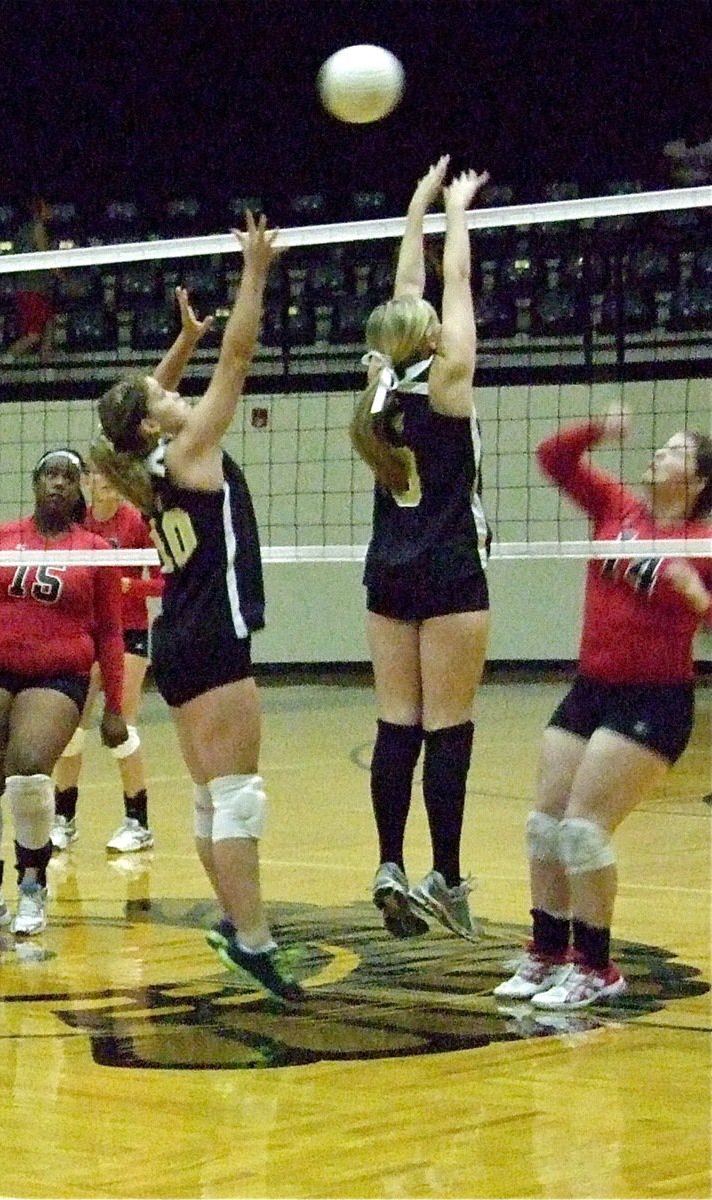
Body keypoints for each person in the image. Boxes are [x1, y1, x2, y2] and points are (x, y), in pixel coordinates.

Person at [91, 213, 305, 1003]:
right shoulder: (188, 450)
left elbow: (146, 396)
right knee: (237, 796)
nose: (172, 389)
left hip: (180, 636)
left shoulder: (149, 458)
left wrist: (180, 341)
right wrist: (255, 270)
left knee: (216, 795)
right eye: (162, 393)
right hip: (214, 636)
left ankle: (235, 922)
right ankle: (252, 938)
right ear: (153, 421)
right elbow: (240, 357)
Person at [494, 409, 712, 1009]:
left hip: (655, 700)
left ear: (695, 483)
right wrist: (598, 428)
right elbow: (552, 458)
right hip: (591, 688)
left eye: (673, 453)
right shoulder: (617, 508)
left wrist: (698, 596)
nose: (658, 457)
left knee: (585, 831)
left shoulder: (701, 544)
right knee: (545, 825)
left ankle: (595, 967)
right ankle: (545, 955)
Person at [349, 155, 492, 942]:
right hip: (448, 571)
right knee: (449, 725)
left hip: (387, 573)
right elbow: (454, 288)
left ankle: (387, 863)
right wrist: (458, 213)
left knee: (395, 723)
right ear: (428, 336)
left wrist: (412, 206)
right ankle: (443, 871)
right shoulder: (447, 384)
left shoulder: (378, 389)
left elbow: (408, 294)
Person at [0, 448, 128, 939]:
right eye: (49, 474)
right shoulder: (2, 538)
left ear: (78, 487)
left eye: (67, 476)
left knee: (29, 767)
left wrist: (116, 707)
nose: (58, 483)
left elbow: (111, 634)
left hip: (58, 674)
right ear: (35, 483)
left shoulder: (95, 551)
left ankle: (33, 887)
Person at [50, 462, 165, 855]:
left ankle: (138, 822)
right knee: (72, 728)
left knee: (120, 728)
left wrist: (129, 585)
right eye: (102, 475)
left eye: (117, 477)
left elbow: (168, 580)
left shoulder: (136, 522)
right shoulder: (77, 525)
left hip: (128, 633)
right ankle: (64, 821)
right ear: (89, 480)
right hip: (86, 634)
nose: (110, 484)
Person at [1, 196, 56, 365]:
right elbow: (46, 258)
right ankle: (3, 364)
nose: (52, 211)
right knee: (34, 335)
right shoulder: (37, 228)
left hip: (38, 289)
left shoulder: (23, 230)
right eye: (48, 207)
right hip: (32, 289)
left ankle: (46, 368)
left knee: (50, 324)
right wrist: (63, 277)